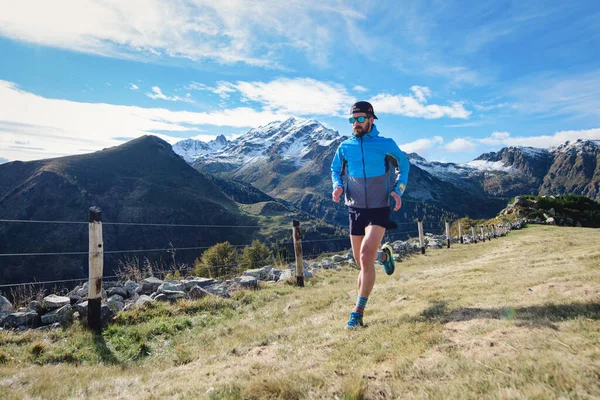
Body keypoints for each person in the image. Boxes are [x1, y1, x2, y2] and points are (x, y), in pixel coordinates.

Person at [331, 101, 410, 330]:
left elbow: (403, 166)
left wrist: (398, 190)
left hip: (379, 206)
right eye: (352, 119)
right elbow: (335, 169)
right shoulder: (345, 147)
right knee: (361, 262)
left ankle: (358, 312)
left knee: (366, 256)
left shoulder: (386, 144)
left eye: (360, 119)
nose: (355, 123)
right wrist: (337, 186)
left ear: (371, 119)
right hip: (355, 207)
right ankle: (384, 257)